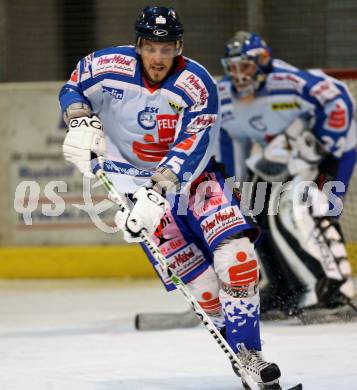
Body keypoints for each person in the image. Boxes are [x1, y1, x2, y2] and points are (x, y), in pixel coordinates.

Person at [58, 7, 282, 388]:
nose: (158, 57)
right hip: (129, 188)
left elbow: (192, 147)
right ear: (138, 45)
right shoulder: (105, 65)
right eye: (151, 47)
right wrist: (78, 117)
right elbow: (73, 87)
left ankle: (251, 352)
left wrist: (157, 190)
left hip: (195, 183)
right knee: (205, 291)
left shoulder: (197, 83)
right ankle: (237, 352)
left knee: (238, 257)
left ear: (179, 46)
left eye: (167, 48)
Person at [217, 31, 356, 315]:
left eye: (246, 65)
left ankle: (338, 290)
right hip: (284, 155)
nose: (239, 75)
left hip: (332, 150)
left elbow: (338, 99)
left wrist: (322, 143)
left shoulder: (289, 81)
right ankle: (285, 289)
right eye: (233, 68)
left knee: (311, 208)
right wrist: (234, 186)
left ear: (263, 62)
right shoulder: (225, 97)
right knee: (253, 211)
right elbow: (231, 141)